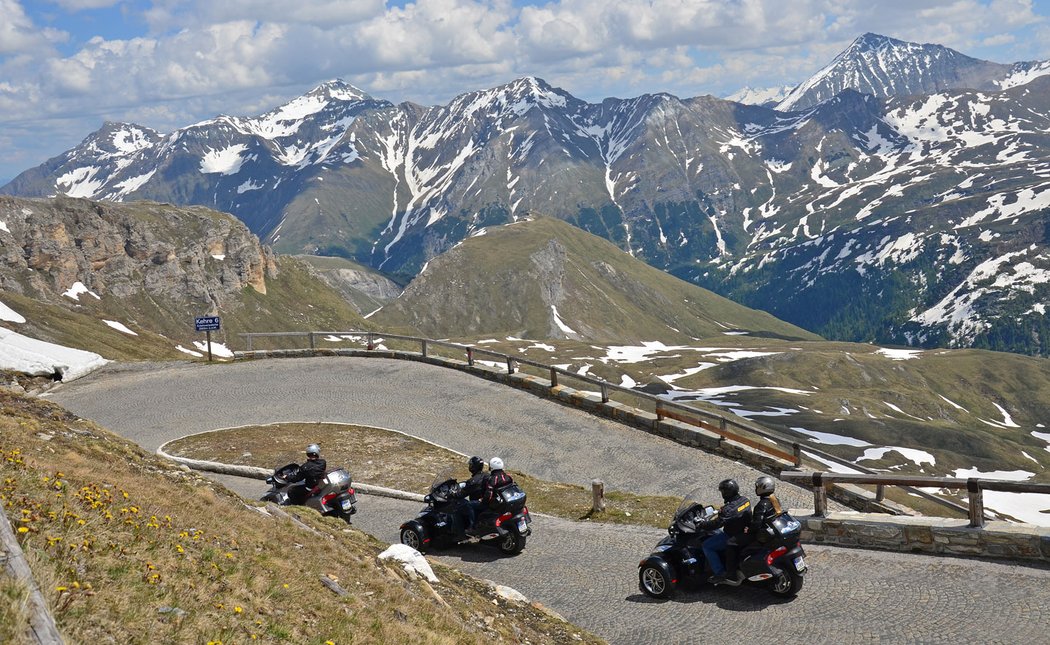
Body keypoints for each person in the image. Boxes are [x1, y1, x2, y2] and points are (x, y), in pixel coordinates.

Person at [700, 478, 752, 585]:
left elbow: (716, 524)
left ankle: (720, 573)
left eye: (723, 491)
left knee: (707, 546)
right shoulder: (745, 500)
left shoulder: (728, 509)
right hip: (745, 532)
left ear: (726, 492)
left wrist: (702, 525)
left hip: (732, 535)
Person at [469, 456, 513, 536]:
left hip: (494, 503)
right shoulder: (508, 477)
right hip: (504, 502)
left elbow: (489, 494)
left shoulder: (493, 479)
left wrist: (482, 502)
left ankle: (472, 527)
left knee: (470, 505)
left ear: (492, 467)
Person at [750, 476, 783, 545]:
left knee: (731, 543)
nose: (756, 489)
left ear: (763, 488)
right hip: (773, 530)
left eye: (757, 487)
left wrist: (748, 530)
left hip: (764, 535)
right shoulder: (775, 500)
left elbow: (757, 524)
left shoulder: (761, 505)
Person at [458, 456, 488, 532]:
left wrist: (455, 494)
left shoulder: (473, 481)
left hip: (481, 502)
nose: (470, 466)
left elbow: (462, 493)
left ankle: (471, 526)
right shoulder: (486, 475)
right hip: (486, 500)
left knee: (466, 504)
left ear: (474, 466)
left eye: (471, 465)